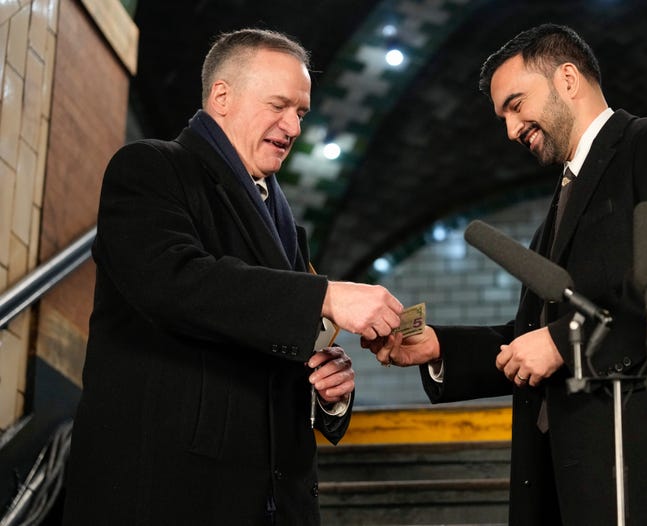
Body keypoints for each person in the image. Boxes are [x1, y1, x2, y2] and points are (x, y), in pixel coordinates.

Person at [364, 23, 647, 525]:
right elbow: (538, 338)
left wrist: (565, 342)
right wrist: (439, 348)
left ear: (567, 78)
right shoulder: (560, 205)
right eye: (503, 115)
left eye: (516, 104)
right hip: (587, 494)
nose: (510, 129)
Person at [62, 28, 403, 526]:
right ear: (221, 96)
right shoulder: (151, 168)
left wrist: (325, 393)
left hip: (270, 499)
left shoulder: (285, 222)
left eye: (301, 112)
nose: (293, 126)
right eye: (279, 105)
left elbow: (260, 346)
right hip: (171, 493)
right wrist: (324, 296)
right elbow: (174, 282)